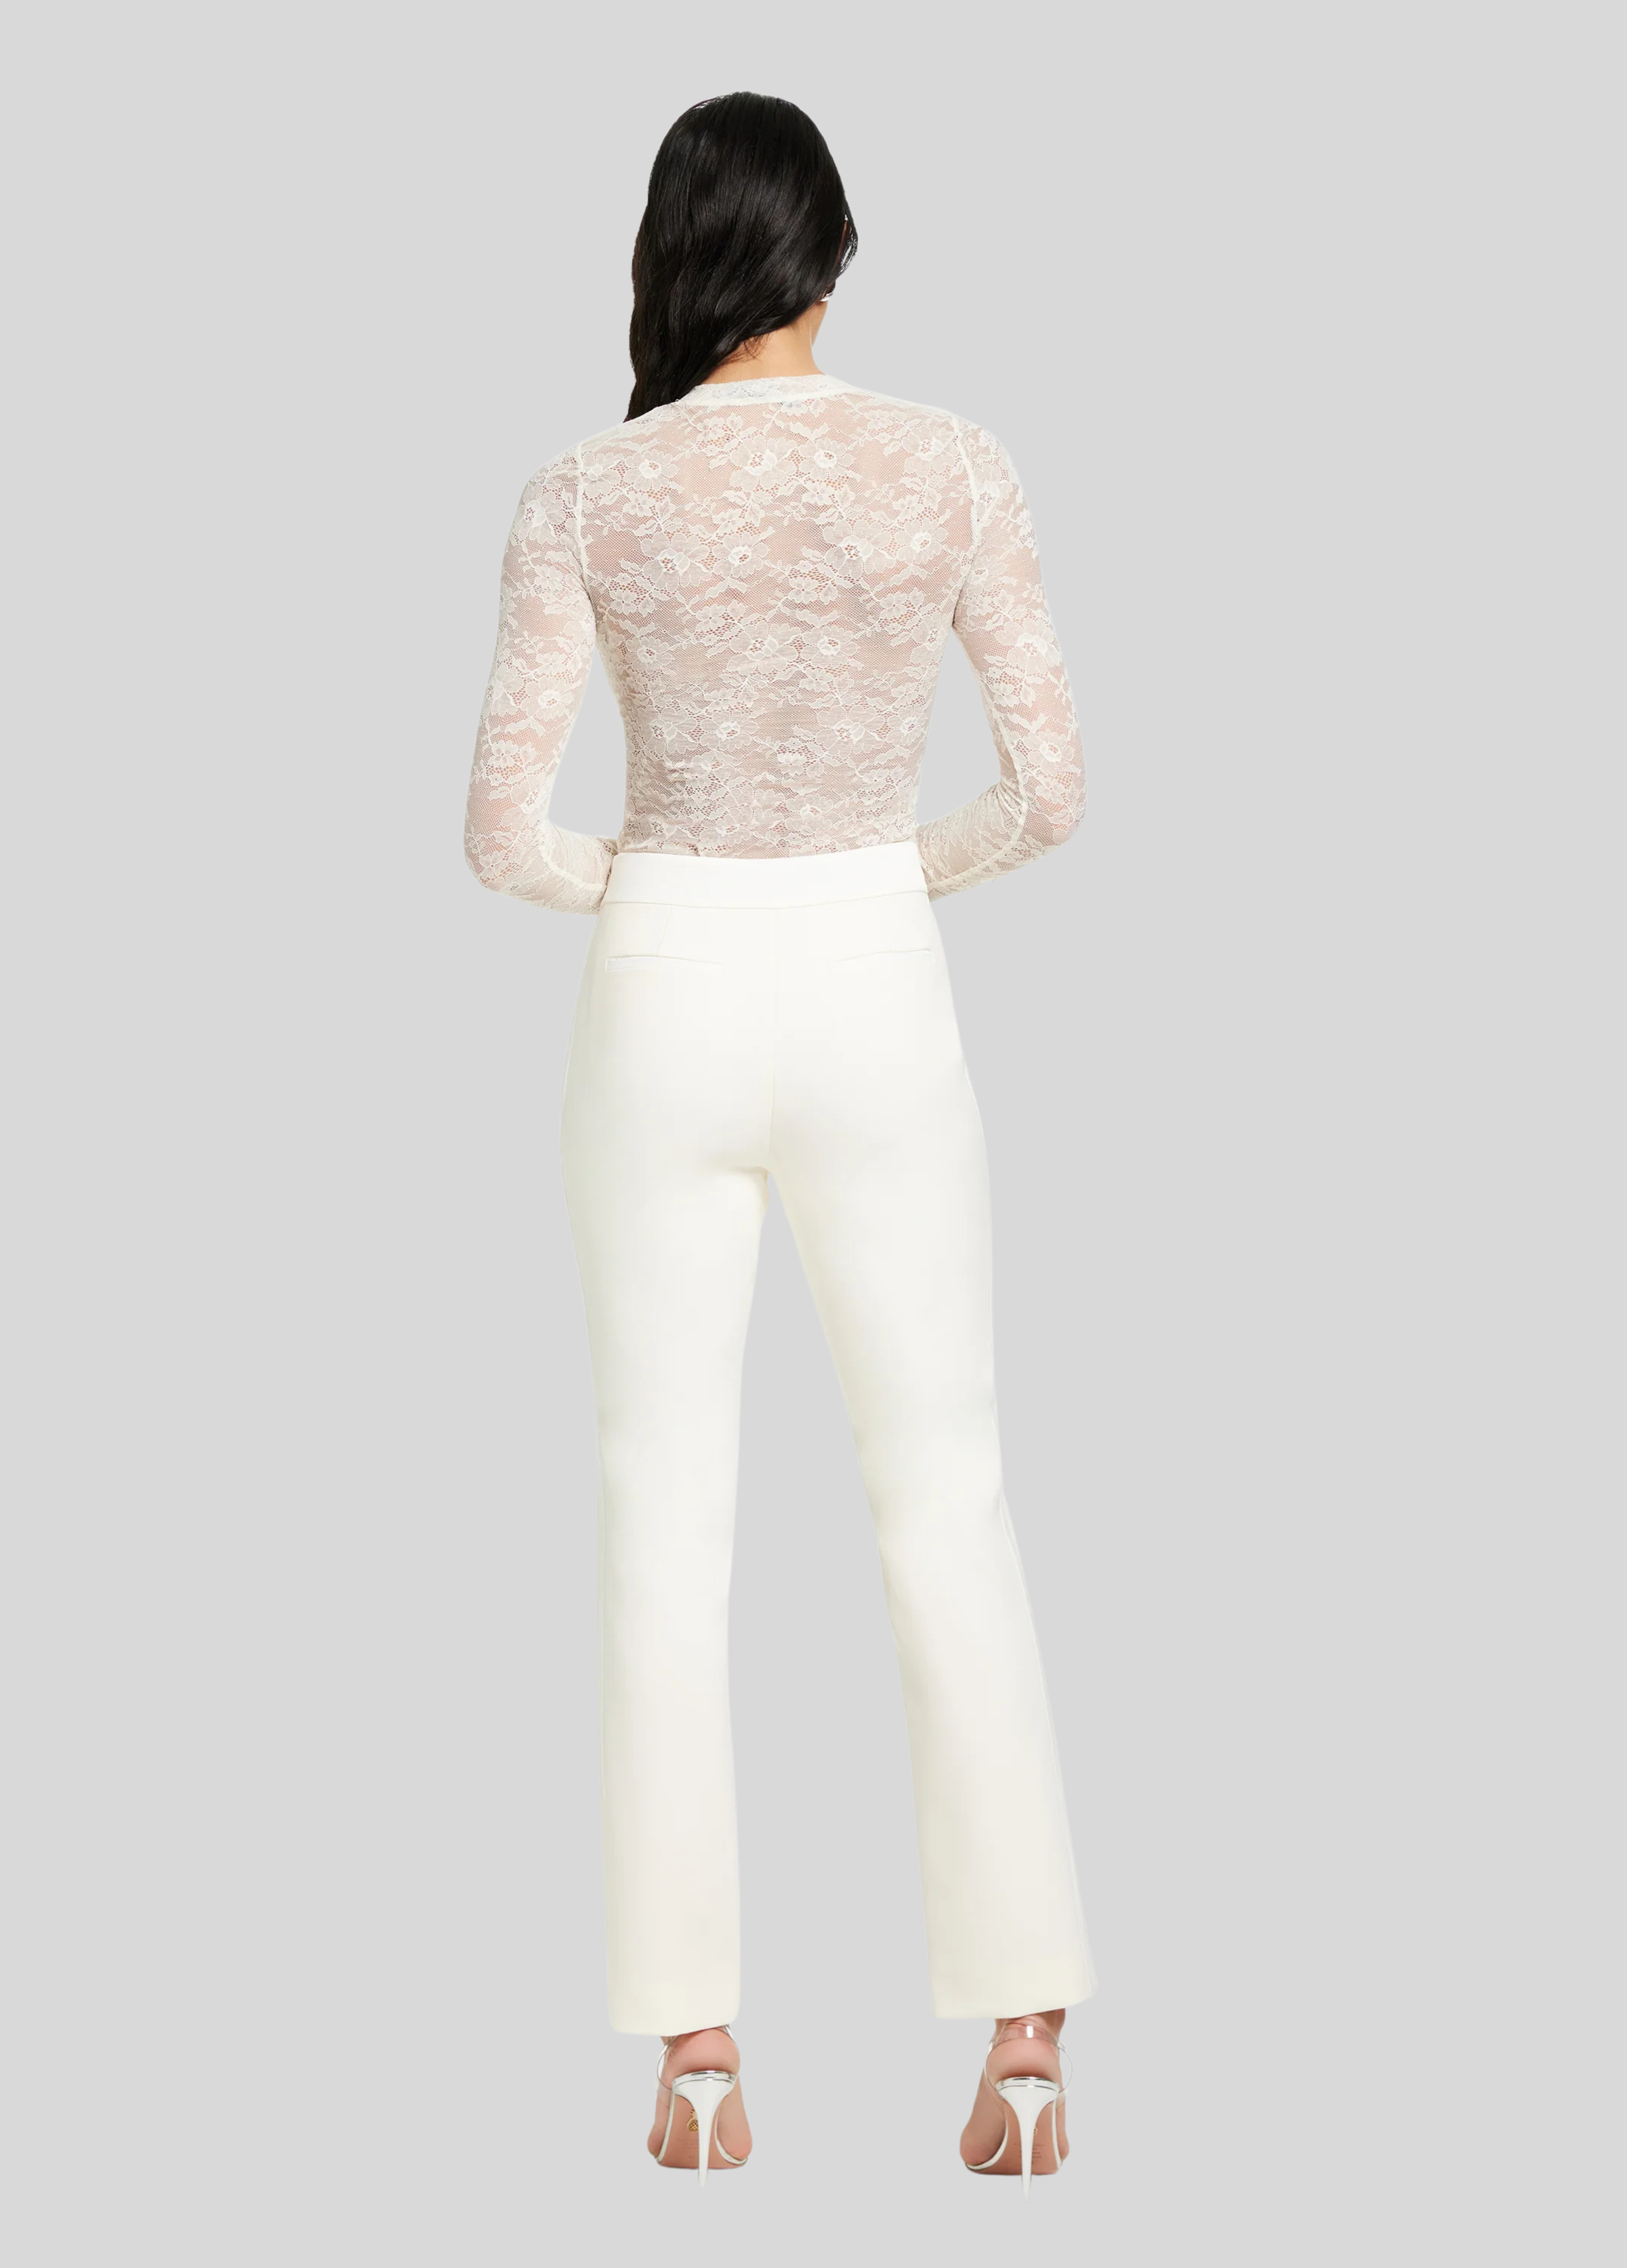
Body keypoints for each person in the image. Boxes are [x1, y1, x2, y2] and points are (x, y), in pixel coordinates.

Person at [465, 90, 1096, 2192]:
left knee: (660, 1518)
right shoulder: (952, 463)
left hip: (661, 985)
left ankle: (698, 2055)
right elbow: (1050, 790)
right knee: (947, 1496)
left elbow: (500, 834)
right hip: (869, 973)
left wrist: (655, 888)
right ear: (829, 254)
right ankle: (1025, 2040)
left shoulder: (586, 490)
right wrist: (879, 875)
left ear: (673, 256)